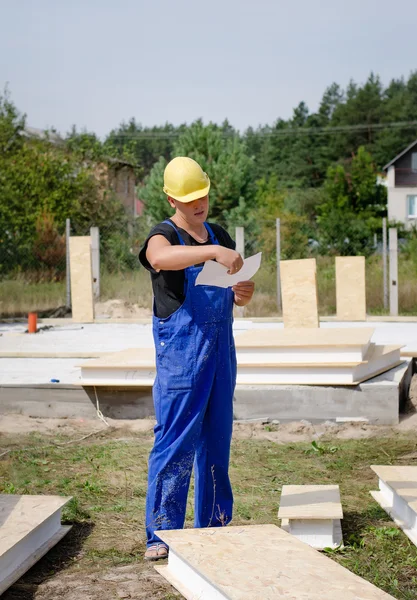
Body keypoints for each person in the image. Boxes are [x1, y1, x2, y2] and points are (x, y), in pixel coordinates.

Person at [139, 156, 255, 561]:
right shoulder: (164, 234)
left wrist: (242, 292)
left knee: (216, 443)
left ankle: (214, 527)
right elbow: (158, 259)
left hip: (220, 356)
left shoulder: (218, 233)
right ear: (171, 198)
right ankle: (162, 534)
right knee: (175, 443)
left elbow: (234, 288)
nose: (199, 203)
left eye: (203, 195)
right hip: (183, 359)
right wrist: (211, 252)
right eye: (190, 198)